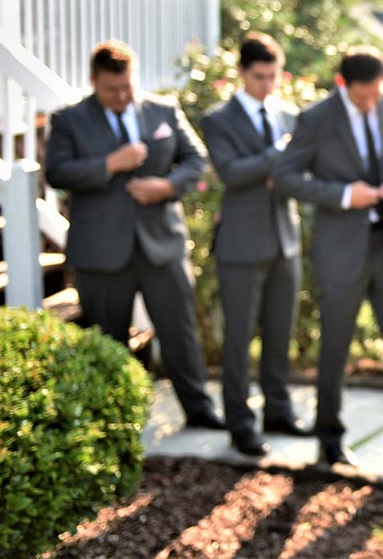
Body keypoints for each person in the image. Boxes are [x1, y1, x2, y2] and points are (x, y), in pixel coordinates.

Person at [273, 46, 383, 471]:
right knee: (334, 347)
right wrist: (341, 196)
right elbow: (285, 176)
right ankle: (329, 442)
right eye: (361, 97)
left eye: (376, 93)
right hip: (341, 251)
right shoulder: (316, 119)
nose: (371, 103)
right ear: (342, 85)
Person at [45, 39, 223, 429]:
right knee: (107, 341)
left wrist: (167, 186)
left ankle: (199, 410)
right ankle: (114, 422)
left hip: (162, 244)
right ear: (93, 81)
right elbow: (57, 173)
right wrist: (110, 163)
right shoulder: (68, 120)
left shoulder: (162, 110)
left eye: (128, 86)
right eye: (113, 90)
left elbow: (196, 159)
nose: (124, 96)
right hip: (102, 252)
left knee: (179, 331)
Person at [200, 34, 310, 457]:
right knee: (239, 340)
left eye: (274, 77)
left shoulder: (290, 114)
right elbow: (230, 172)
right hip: (241, 246)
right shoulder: (218, 119)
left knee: (280, 336)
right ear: (242, 74)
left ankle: (278, 410)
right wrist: (275, 157)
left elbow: (298, 170)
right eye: (260, 77)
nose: (268, 86)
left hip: (285, 239)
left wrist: (272, 169)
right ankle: (241, 424)